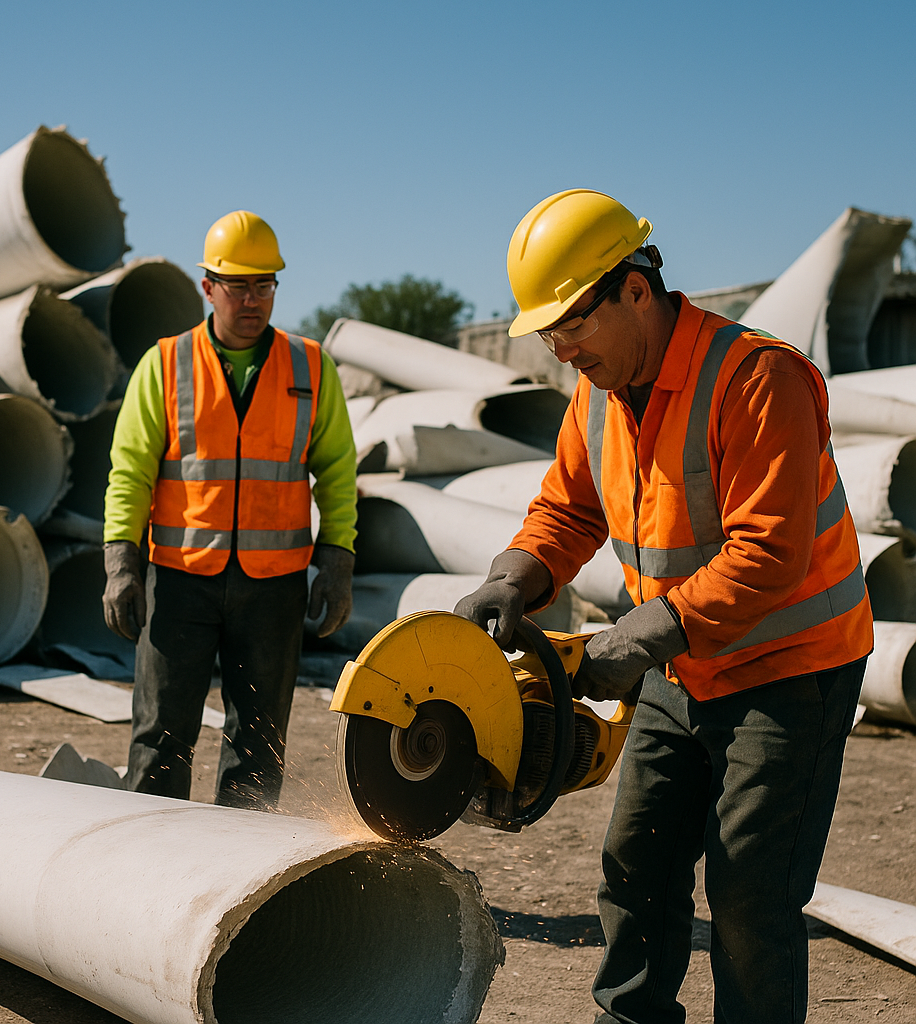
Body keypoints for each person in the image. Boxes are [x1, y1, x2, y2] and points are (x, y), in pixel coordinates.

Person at [455, 189, 873, 1024]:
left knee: (751, 891)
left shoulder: (758, 377)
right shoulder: (596, 396)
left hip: (790, 667)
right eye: (547, 330)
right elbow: (568, 511)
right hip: (682, 665)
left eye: (573, 323)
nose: (560, 348)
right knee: (636, 867)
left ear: (635, 290)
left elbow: (768, 553)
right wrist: (516, 574)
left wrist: (638, 638)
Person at [102, 210, 357, 810]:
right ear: (207, 287)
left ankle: (236, 888)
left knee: (258, 744)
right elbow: (130, 471)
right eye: (238, 285)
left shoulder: (311, 366)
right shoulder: (164, 364)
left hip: (274, 590)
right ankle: (144, 874)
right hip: (181, 581)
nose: (252, 299)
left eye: (264, 284)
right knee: (159, 738)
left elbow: (339, 471)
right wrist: (120, 561)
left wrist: (338, 556)